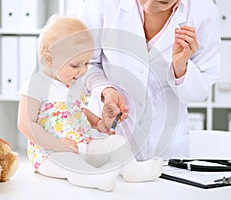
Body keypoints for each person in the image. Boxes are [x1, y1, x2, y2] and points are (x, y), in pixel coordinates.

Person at [17, 16, 162, 192]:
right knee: (70, 163)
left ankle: (132, 169)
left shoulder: (75, 83)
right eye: (75, 65)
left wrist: (98, 123)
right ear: (49, 60)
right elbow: (26, 124)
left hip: (82, 144)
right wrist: (57, 144)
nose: (83, 70)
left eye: (86, 63)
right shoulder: (35, 85)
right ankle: (96, 177)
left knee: (116, 142)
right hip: (50, 154)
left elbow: (79, 111)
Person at [78, 0, 221, 160]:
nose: (149, 7)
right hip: (109, 134)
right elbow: (83, 64)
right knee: (107, 181)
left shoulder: (204, 12)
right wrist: (105, 90)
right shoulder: (101, 4)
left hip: (165, 144)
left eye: (163, 2)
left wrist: (181, 68)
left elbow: (200, 90)